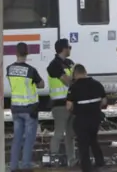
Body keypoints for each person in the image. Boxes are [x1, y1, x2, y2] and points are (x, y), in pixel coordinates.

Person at [7, 42, 44, 172]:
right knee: (29, 139)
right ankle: (26, 166)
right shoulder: (31, 70)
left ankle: (13, 166)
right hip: (29, 109)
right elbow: (41, 85)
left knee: (17, 138)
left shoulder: (9, 69)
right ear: (27, 53)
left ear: (15, 53)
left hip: (16, 108)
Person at [66, 64, 107, 172]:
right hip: (95, 119)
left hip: (81, 120)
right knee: (93, 140)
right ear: (85, 71)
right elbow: (104, 101)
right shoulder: (97, 84)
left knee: (83, 144)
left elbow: (69, 106)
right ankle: (100, 162)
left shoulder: (73, 87)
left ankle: (86, 167)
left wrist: (73, 110)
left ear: (75, 74)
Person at [47, 38, 76, 166]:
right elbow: (68, 81)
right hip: (59, 105)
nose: (70, 49)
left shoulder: (69, 63)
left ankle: (72, 160)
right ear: (64, 49)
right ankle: (53, 158)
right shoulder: (53, 65)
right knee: (59, 133)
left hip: (71, 103)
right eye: (69, 47)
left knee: (70, 135)